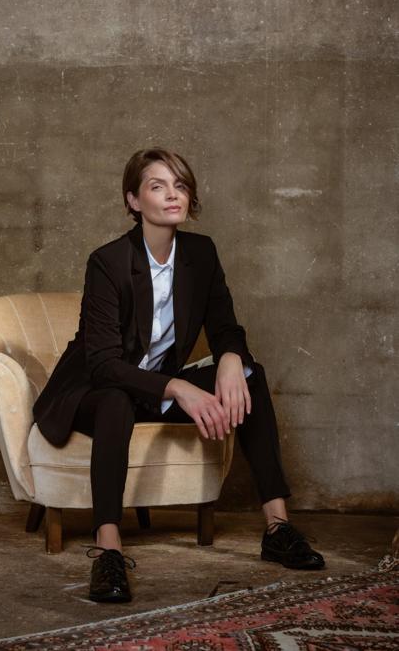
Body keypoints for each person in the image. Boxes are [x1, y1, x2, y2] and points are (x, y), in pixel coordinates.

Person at [33, 147, 324, 603]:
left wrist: (231, 358)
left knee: (250, 375)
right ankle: (108, 549)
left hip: (151, 390)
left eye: (180, 185)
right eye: (158, 186)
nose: (173, 195)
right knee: (115, 400)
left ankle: (277, 526)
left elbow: (225, 328)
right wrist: (178, 387)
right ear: (133, 201)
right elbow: (105, 364)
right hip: (92, 391)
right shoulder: (108, 263)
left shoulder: (201, 254)